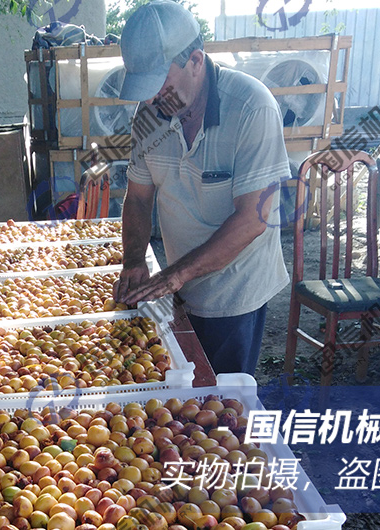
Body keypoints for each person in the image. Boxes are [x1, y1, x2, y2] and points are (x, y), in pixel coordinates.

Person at [114, 0, 290, 376]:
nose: (151, 99)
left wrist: (176, 274)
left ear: (195, 61)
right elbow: (139, 197)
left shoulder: (252, 108)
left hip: (236, 290)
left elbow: (252, 219)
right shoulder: (149, 115)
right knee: (183, 387)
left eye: (160, 85)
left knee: (220, 393)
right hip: (181, 284)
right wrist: (134, 261)